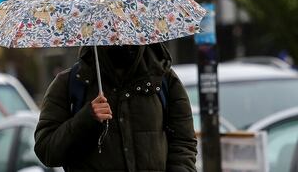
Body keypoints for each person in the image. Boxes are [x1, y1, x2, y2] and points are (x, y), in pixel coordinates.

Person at [34, 43, 197, 172]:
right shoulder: (72, 82)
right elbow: (47, 151)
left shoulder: (164, 79)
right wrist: (86, 119)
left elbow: (184, 143)